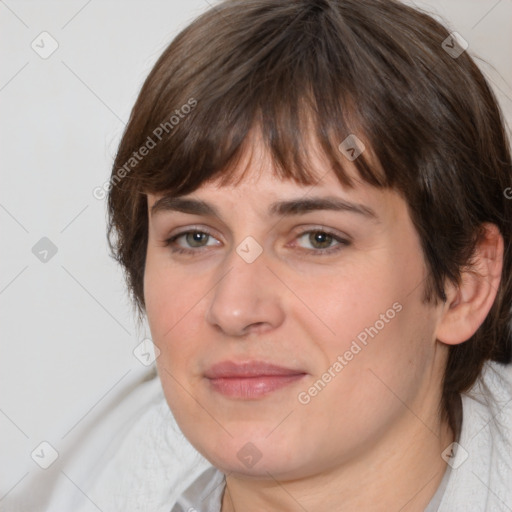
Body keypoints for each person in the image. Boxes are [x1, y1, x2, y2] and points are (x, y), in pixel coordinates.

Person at [80, 0, 512, 510]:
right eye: (195, 237)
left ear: (465, 284)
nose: (234, 309)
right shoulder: (87, 476)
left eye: (318, 239)